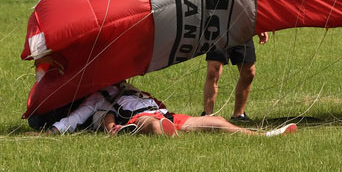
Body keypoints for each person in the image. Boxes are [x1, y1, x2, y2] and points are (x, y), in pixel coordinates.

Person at [50, 82, 296, 137]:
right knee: (154, 125)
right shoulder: (98, 97)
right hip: (138, 119)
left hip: (164, 114)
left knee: (218, 121)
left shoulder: (130, 87)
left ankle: (263, 135)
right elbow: (79, 117)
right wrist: (55, 130)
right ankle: (166, 136)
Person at [203, 33, 269, 121]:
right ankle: (208, 115)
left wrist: (261, 28)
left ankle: (239, 115)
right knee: (214, 71)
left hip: (242, 30)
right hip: (219, 31)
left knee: (249, 72)